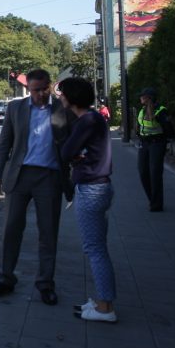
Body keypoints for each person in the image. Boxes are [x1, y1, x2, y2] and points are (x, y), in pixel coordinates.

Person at [0, 69, 74, 305]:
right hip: (19, 176)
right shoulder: (15, 108)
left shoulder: (61, 109)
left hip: (50, 178)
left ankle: (46, 283)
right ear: (28, 89)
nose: (40, 94)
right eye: (35, 90)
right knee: (11, 229)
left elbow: (72, 142)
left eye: (44, 89)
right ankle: (5, 278)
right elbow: (4, 144)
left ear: (50, 86)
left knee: (48, 232)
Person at [57, 77, 117, 323]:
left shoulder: (86, 120)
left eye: (62, 93)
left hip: (91, 189)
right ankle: (102, 300)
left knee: (95, 250)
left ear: (71, 97)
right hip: (99, 187)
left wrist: (75, 156)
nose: (59, 97)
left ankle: (105, 308)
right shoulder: (94, 119)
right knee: (97, 247)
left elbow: (66, 151)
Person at [136, 87, 174, 212]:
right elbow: (140, 126)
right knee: (143, 172)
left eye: (143, 96)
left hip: (157, 144)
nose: (141, 97)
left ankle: (156, 204)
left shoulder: (160, 111)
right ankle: (152, 199)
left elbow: (168, 129)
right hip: (144, 143)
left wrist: (166, 141)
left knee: (155, 173)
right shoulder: (142, 110)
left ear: (149, 98)